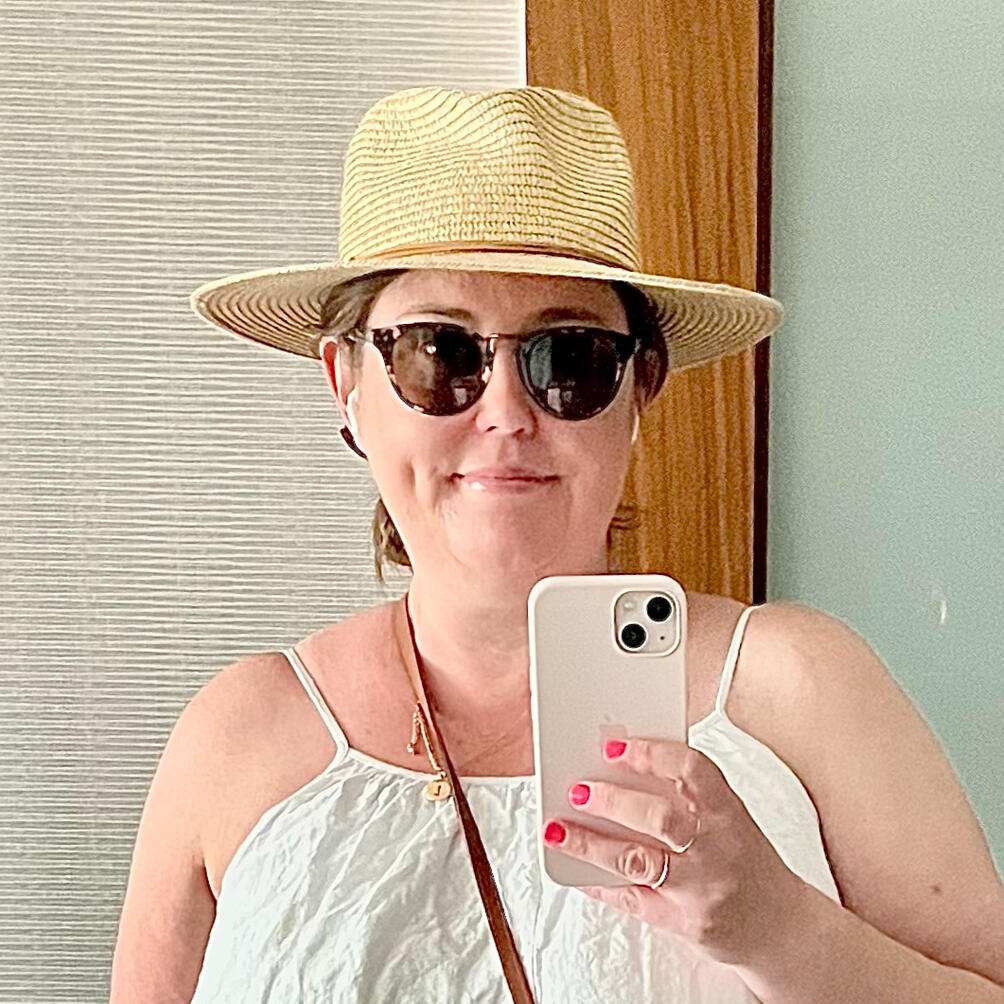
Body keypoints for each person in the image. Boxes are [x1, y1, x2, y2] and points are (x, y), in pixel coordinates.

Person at [110, 87, 1004, 1003]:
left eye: (569, 358)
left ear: (640, 385)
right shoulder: (235, 741)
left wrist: (780, 929)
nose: (505, 413)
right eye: (438, 352)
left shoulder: (797, 690)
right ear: (347, 385)